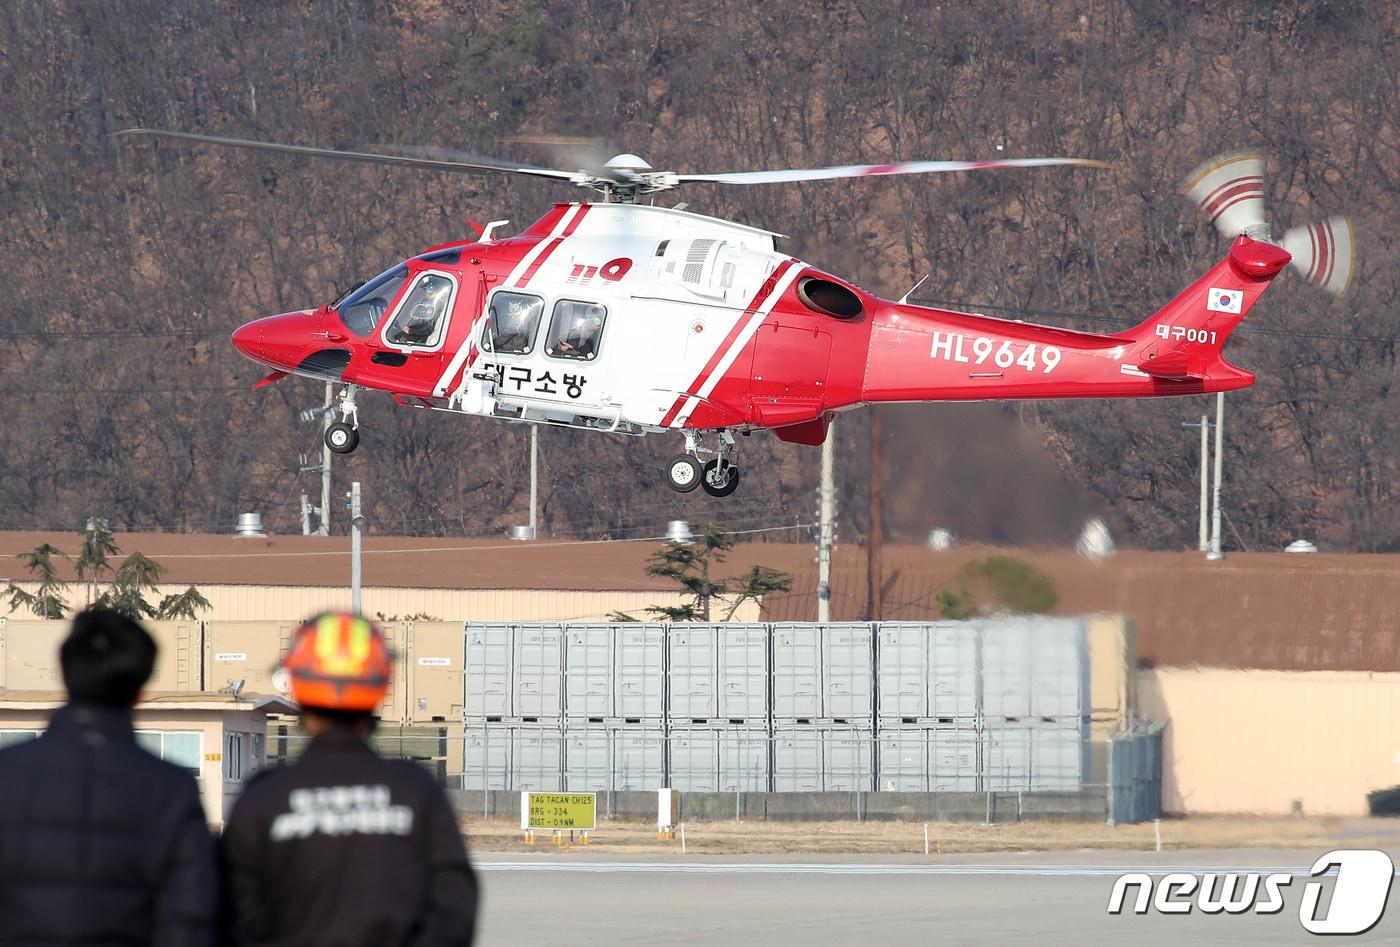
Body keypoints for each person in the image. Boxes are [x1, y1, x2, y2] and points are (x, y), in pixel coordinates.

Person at [221, 612, 478, 947]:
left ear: (295, 685)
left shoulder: (262, 799)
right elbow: (454, 912)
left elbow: (232, 917)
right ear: (382, 686)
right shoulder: (417, 793)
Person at [0, 609, 219, 946]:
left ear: (64, 676)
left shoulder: (9, 773)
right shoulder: (171, 788)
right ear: (139, 691)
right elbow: (190, 917)